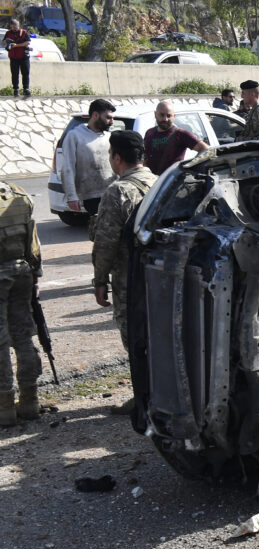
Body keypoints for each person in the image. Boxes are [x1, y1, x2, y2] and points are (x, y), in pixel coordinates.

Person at [91, 131, 156, 414]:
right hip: (163, 279)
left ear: (117, 158)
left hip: (130, 281)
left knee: (136, 340)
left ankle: (144, 399)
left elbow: (105, 242)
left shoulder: (118, 192)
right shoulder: (161, 183)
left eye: (110, 155)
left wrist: (99, 280)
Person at [0, 177, 42, 423]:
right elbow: (33, 241)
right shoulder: (18, 193)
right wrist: (36, 274)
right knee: (23, 336)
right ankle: (29, 401)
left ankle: (4, 406)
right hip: (22, 271)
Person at [60, 97, 115, 216]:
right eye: (108, 118)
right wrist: (71, 196)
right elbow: (67, 168)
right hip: (91, 196)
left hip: (112, 192)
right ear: (95, 115)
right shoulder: (74, 136)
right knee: (102, 229)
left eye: (112, 118)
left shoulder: (109, 137)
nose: (112, 122)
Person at [142, 100, 208, 176]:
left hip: (170, 183)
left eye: (169, 116)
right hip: (150, 181)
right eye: (162, 115)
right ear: (155, 114)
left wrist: (192, 167)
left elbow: (205, 149)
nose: (165, 119)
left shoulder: (181, 134)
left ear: (174, 117)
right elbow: (144, 156)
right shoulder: (149, 133)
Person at [3, 18, 31, 97]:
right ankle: (16, 89)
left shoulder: (24, 32)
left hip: (23, 57)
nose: (13, 28)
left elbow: (27, 42)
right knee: (15, 74)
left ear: (18, 26)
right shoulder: (8, 33)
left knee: (25, 73)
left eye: (15, 27)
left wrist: (17, 45)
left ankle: (26, 89)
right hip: (13, 57)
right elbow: (3, 43)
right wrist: (7, 41)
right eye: (12, 27)